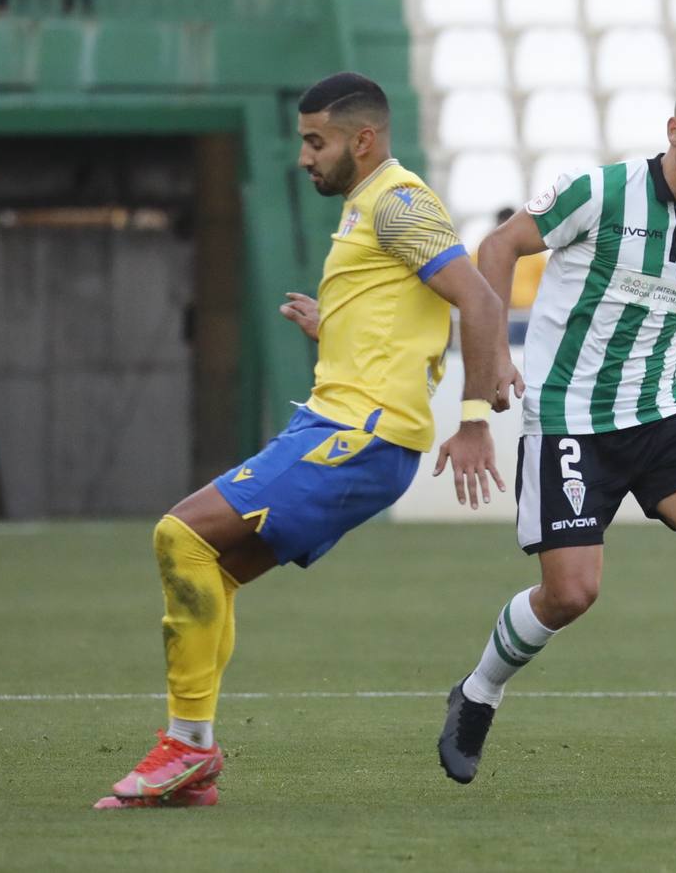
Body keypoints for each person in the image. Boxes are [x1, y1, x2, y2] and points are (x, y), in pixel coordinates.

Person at [94, 72, 513, 810]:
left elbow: (475, 297)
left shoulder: (399, 202)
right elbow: (414, 316)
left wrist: (474, 418)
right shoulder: (366, 208)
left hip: (360, 435)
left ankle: (185, 747)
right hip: (340, 425)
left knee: (178, 536)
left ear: (363, 139)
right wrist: (337, 327)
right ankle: (191, 761)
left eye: (315, 142)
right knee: (211, 570)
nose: (303, 157)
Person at [436, 68, 676, 796]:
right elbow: (497, 249)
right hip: (569, 419)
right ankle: (476, 693)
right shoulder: (597, 192)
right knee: (569, 595)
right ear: (675, 130)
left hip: (658, 416)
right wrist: (497, 349)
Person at [472, 207, 548, 345]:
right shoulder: (482, 251)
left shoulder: (535, 254)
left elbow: (546, 285)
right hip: (497, 316)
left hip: (526, 317)